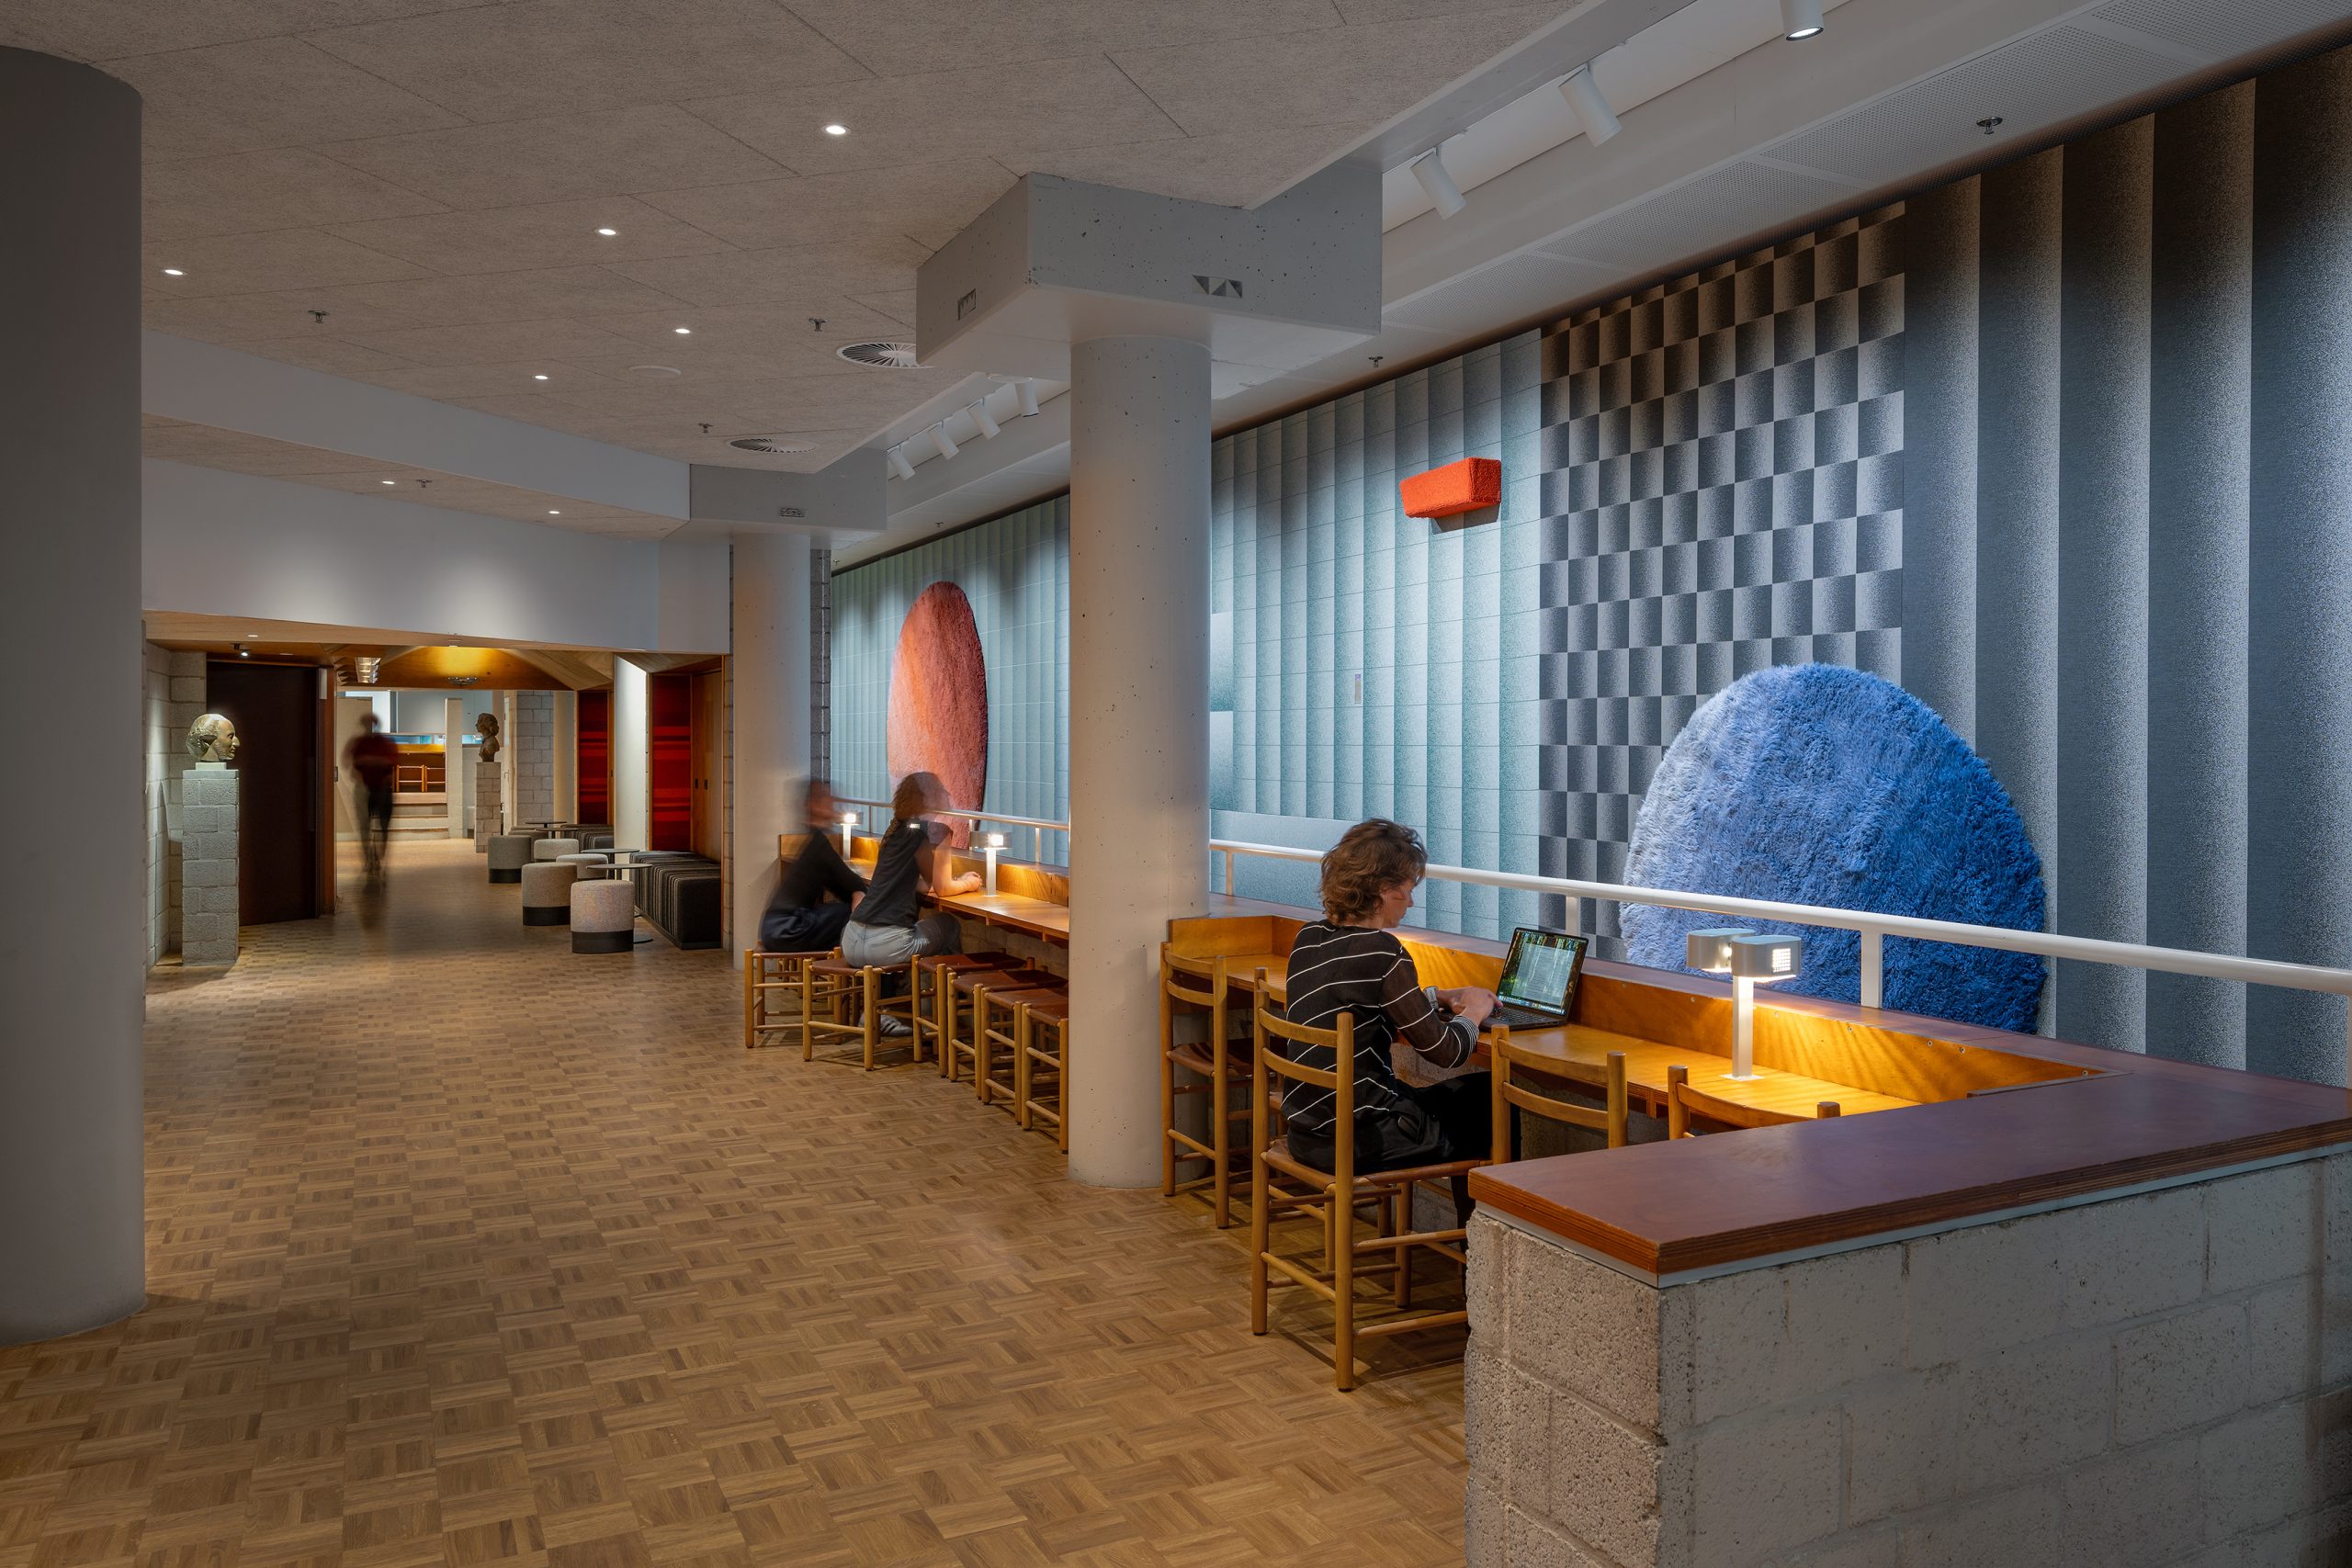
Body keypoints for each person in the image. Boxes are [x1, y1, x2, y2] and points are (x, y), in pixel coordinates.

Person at [1277, 819, 1498, 1212]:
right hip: (1362, 1139)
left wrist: (1439, 997)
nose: (1410, 902)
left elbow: (1359, 998)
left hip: (1308, 1134)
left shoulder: (1308, 938)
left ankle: (1473, 1246)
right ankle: (1478, 1249)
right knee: (1491, 1099)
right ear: (1384, 888)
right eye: (1408, 889)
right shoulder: (1383, 951)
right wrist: (1477, 1010)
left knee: (1467, 1099)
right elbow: (1446, 1052)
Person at [840, 772, 983, 1031]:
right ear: (929, 797)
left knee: (920, 934)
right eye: (941, 789)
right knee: (949, 926)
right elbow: (943, 889)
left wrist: (948, 881)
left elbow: (919, 882)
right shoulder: (934, 832)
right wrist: (968, 883)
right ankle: (945, 1015)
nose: (947, 794)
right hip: (885, 946)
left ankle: (890, 1010)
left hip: (852, 938)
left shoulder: (895, 829)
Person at [760, 779, 866, 953]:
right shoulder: (819, 846)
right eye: (827, 797)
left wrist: (856, 892)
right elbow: (854, 884)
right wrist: (858, 893)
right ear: (814, 805)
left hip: (775, 929)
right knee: (855, 913)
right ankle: (862, 965)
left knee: (847, 911)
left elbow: (846, 885)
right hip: (788, 929)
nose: (833, 801)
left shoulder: (816, 842)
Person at [344, 712, 401, 884]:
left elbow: (388, 763)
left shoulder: (385, 743)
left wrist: (368, 761)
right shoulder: (359, 742)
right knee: (364, 826)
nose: (369, 727)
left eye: (371, 723)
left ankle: (378, 856)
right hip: (365, 788)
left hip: (383, 789)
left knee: (384, 827)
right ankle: (369, 858)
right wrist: (376, 761)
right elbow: (353, 763)